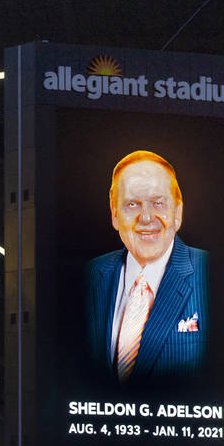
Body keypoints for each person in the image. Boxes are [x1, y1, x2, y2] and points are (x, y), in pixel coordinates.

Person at [85, 150, 208, 383]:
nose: (146, 217)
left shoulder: (211, 274)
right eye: (132, 204)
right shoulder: (91, 276)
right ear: (114, 213)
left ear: (178, 212)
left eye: (158, 203)